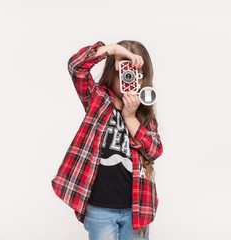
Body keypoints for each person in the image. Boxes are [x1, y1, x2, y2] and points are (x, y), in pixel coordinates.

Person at [51, 40, 163, 240]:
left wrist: (130, 117)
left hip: (136, 209)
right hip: (100, 208)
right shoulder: (98, 98)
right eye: (124, 72)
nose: (130, 80)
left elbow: (154, 150)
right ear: (113, 71)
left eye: (137, 75)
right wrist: (113, 50)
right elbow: (76, 66)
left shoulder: (144, 114)